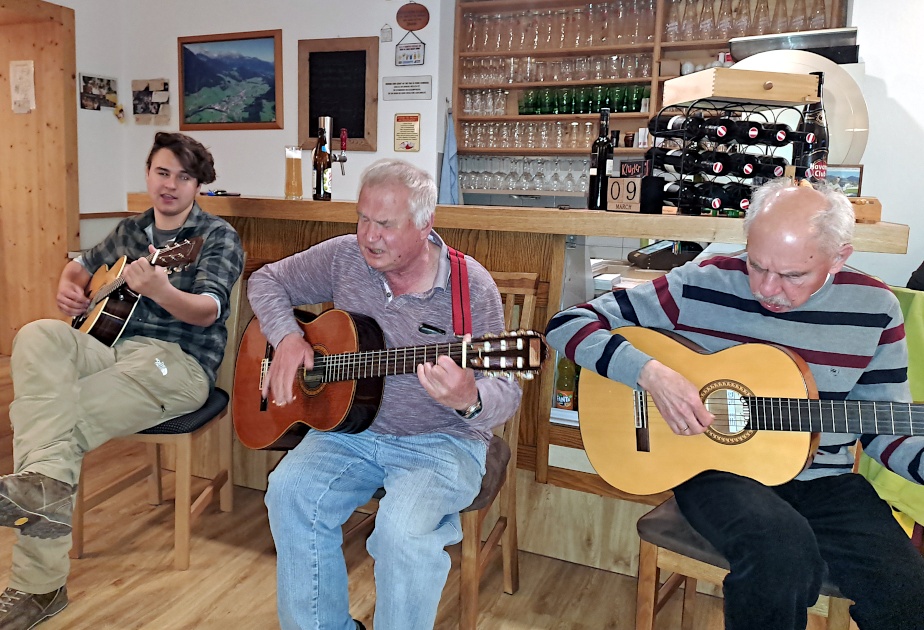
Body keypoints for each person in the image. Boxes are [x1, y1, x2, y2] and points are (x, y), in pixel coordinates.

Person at [545, 179, 924, 630]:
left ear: (839, 257)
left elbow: (885, 426)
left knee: (907, 591)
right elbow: (567, 324)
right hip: (716, 471)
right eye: (757, 265)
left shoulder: (875, 308)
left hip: (825, 481)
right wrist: (651, 374)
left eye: (792, 276)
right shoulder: (702, 283)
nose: (767, 288)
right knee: (780, 552)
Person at [248, 159, 521, 630]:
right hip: (349, 433)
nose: (369, 236)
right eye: (363, 218)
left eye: (386, 224)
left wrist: (468, 397)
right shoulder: (344, 257)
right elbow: (266, 280)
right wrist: (289, 337)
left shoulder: (469, 286)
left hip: (441, 441)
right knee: (290, 492)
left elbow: (506, 391)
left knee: (400, 531)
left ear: (424, 224)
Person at [0, 132, 244, 629]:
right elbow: (79, 266)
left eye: (184, 176)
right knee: (37, 336)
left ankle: (37, 587)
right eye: (162, 172)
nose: (170, 185)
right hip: (106, 348)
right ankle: (38, 488)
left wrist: (161, 289)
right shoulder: (131, 231)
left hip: (175, 364)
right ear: (148, 173)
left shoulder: (216, 237)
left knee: (54, 428)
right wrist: (69, 289)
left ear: (199, 185)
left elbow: (208, 311)